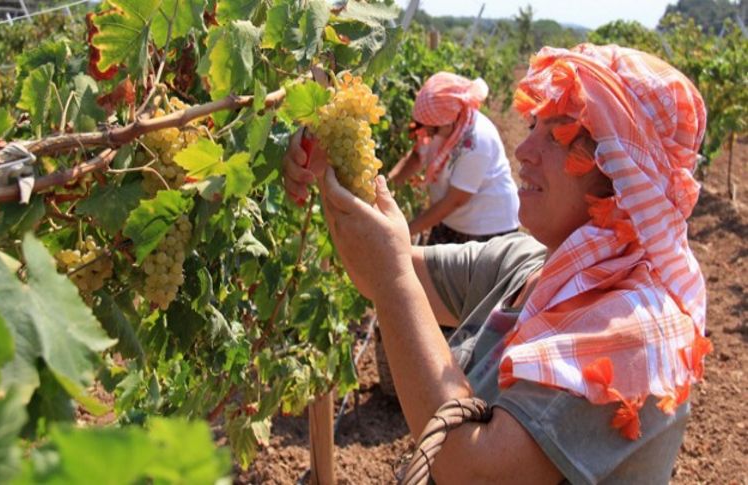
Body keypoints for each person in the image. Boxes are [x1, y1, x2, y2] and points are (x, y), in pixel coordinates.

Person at [283, 43, 712, 483]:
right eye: (532, 125)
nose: (523, 149)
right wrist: (333, 172)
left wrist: (393, 278)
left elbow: (472, 471)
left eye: (557, 135)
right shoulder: (526, 266)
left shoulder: (632, 333)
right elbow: (375, 270)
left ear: (623, 172)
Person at [387, 72, 520, 244]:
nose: (427, 133)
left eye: (433, 130)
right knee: (434, 267)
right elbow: (416, 157)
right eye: (424, 126)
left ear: (451, 120)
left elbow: (454, 201)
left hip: (487, 228)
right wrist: (386, 187)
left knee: (459, 269)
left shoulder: (477, 142)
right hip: (451, 218)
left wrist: (404, 232)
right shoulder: (436, 124)